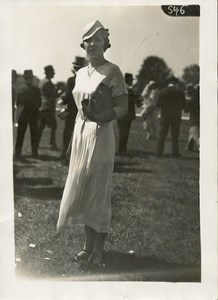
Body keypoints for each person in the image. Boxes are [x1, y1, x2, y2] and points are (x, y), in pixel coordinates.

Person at [56, 20, 128, 266]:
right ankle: (87, 248)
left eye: (98, 39)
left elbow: (123, 106)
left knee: (98, 192)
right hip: (80, 133)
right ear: (83, 44)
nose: (93, 44)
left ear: (106, 44)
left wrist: (102, 116)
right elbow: (79, 110)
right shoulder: (79, 73)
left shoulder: (113, 71)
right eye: (89, 39)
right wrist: (70, 142)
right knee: (84, 191)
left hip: (101, 134)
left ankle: (98, 251)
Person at [59, 56, 86, 165]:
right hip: (83, 112)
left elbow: (67, 96)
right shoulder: (86, 80)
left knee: (67, 134)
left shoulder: (71, 80)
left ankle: (64, 158)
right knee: (80, 135)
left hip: (71, 111)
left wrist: (63, 99)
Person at [156, 76, 186, 158]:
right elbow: (183, 105)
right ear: (175, 83)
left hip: (165, 116)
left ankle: (159, 153)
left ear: (168, 82)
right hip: (176, 116)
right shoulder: (180, 92)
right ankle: (175, 153)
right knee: (175, 136)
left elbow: (157, 104)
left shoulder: (162, 92)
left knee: (162, 135)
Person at [14, 70, 41, 158]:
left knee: (20, 134)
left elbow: (17, 102)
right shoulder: (37, 90)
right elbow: (39, 104)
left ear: (24, 78)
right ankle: (34, 153)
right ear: (32, 78)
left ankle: (18, 152)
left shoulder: (19, 89)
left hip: (22, 114)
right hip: (33, 114)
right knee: (34, 134)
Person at [38, 65, 61, 150]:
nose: (54, 73)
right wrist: (60, 91)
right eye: (52, 72)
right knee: (53, 126)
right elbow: (54, 95)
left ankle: (36, 143)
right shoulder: (48, 83)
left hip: (41, 107)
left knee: (41, 127)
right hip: (48, 108)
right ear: (49, 73)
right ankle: (52, 144)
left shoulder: (41, 81)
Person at [117, 73, 137, 154]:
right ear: (127, 80)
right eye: (131, 80)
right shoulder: (128, 89)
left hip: (122, 113)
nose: (132, 82)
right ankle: (122, 149)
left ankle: (122, 148)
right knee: (124, 132)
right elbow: (132, 101)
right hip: (127, 114)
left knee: (122, 132)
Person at [184, 83, 200, 151]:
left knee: (195, 134)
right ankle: (189, 147)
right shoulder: (198, 98)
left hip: (194, 118)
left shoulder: (192, 100)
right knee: (192, 132)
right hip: (198, 117)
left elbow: (186, 110)